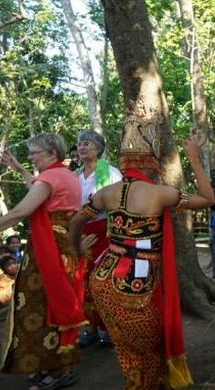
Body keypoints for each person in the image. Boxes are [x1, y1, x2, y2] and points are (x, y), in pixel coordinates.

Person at [68, 132, 213, 389]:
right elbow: (208, 199)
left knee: (128, 351)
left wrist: (77, 246)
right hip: (137, 282)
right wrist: (193, 158)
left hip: (103, 279)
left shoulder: (106, 193)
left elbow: (77, 220)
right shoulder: (160, 193)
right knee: (151, 350)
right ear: (151, 163)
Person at [0, 133, 84, 390]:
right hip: (65, 248)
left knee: (41, 307)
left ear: (51, 153)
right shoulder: (68, 176)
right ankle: (59, 366)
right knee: (56, 304)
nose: (30, 156)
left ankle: (56, 371)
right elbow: (39, 186)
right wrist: (18, 168)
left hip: (47, 253)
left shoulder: (48, 179)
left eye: (35, 152)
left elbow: (20, 211)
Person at [73, 129, 123, 348]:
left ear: (99, 148)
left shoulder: (110, 173)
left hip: (105, 231)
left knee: (102, 281)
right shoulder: (75, 175)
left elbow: (119, 203)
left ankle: (109, 329)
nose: (82, 147)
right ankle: (90, 327)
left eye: (87, 143)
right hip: (81, 232)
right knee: (81, 280)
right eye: (80, 143)